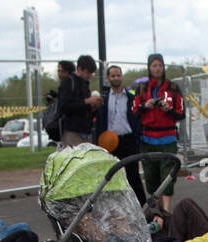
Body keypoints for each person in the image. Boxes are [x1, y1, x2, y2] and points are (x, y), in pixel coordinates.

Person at [133, 54, 183, 214]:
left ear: (163, 67)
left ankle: (166, 213)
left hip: (167, 138)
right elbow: (134, 112)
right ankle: (159, 211)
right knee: (152, 179)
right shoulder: (141, 89)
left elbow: (181, 114)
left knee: (167, 177)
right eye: (154, 65)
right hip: (147, 139)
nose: (157, 68)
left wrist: (169, 110)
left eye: (160, 65)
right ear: (149, 67)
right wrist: (145, 106)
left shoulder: (173, 88)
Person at [95, 64, 145, 203]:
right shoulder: (104, 99)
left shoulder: (130, 98)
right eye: (113, 75)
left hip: (128, 140)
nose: (116, 78)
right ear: (108, 78)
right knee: (110, 177)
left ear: (121, 77)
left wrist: (137, 138)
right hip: (109, 142)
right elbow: (99, 122)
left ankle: (143, 207)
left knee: (133, 176)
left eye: (118, 75)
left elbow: (137, 118)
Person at [59, 56, 102, 148]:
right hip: (72, 132)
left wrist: (94, 107)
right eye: (88, 72)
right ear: (79, 69)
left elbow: (84, 109)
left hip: (86, 131)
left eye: (91, 73)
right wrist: (87, 101)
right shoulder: (69, 82)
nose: (89, 76)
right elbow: (65, 107)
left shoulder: (85, 84)